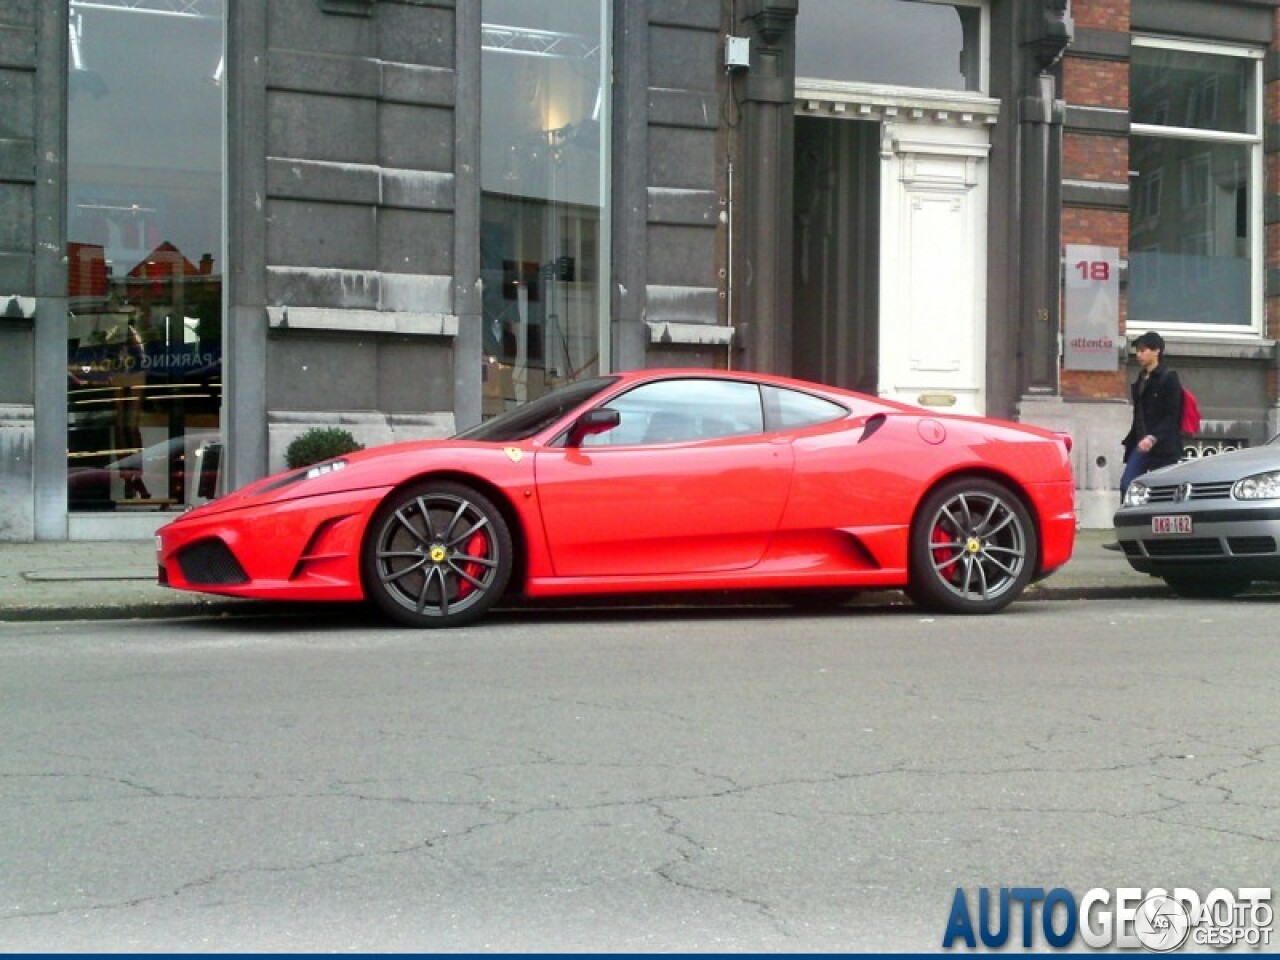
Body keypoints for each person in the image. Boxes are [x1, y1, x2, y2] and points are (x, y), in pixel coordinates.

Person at [1119, 330, 1183, 500]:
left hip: (1163, 446)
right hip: (1140, 443)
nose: (1139, 355)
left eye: (1143, 350)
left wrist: (1153, 437)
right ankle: (1129, 521)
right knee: (1127, 484)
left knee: (1162, 491)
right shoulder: (1141, 379)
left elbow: (1173, 415)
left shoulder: (1169, 378)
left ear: (1157, 351)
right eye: (1137, 351)